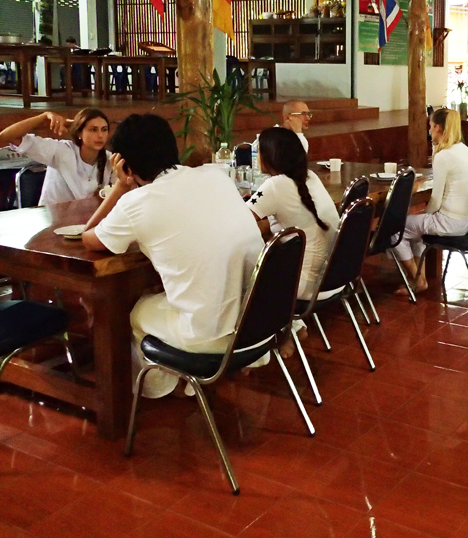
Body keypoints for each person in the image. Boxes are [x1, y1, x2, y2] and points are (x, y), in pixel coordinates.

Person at [81, 114, 264, 398]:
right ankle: (180, 382)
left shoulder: (137, 202)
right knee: (160, 291)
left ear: (125, 164)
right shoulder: (215, 176)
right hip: (257, 323)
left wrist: (120, 186)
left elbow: (89, 238)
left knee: (132, 309)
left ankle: (159, 388)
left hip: (212, 337)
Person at [248, 127, 340, 354]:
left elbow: (240, 222)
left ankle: (262, 346)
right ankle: (292, 327)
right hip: (333, 277)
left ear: (269, 156)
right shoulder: (310, 177)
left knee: (244, 275)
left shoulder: (276, 185)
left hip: (305, 283)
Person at [393, 108, 468, 294]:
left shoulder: (443, 156)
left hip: (451, 223)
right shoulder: (464, 150)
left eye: (430, 126)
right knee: (418, 226)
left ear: (438, 127)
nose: (429, 130)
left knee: (395, 228)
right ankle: (419, 278)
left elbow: (436, 200)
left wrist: (424, 215)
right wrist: (423, 220)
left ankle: (416, 280)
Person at [0, 109, 114, 206]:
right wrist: (44, 117)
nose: (100, 135)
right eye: (93, 130)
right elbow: (7, 135)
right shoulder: (61, 150)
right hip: (52, 220)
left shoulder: (110, 159)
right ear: (79, 133)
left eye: (104, 130)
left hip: (86, 221)